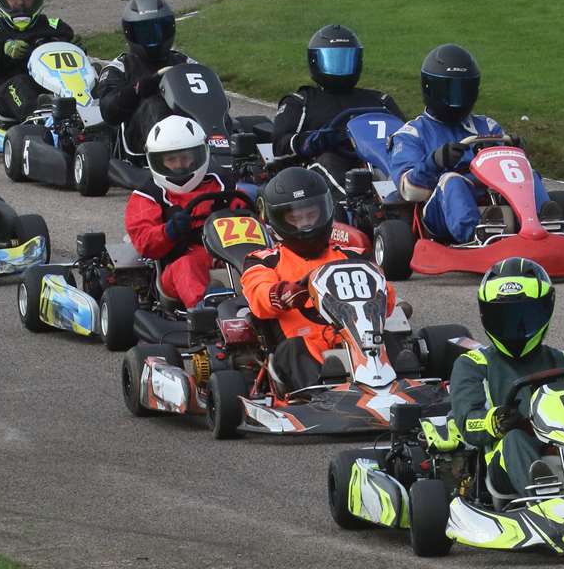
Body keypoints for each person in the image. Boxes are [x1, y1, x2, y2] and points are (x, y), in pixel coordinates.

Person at [449, 258, 564, 494]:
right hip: (508, 461)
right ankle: (541, 498)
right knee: (514, 439)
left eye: (524, 316)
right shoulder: (474, 364)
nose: (514, 327)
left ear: (544, 312)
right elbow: (467, 422)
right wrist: (494, 421)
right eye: (504, 318)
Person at [241, 167, 396, 391]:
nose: (306, 224)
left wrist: (377, 295)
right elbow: (258, 294)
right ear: (277, 220)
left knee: (391, 339)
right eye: (295, 218)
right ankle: (323, 396)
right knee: (292, 350)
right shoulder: (264, 260)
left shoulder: (353, 255)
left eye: (311, 215)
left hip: (363, 342)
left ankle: (402, 387)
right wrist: (282, 294)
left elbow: (387, 301)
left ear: (325, 210)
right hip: (305, 346)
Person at [388, 44, 554, 243]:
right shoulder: (411, 134)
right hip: (440, 212)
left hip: (495, 200)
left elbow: (509, 169)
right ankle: (476, 235)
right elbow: (409, 190)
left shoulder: (488, 126)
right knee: (452, 180)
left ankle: (548, 224)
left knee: (527, 174)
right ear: (430, 87)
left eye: (463, 91)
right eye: (450, 91)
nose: (457, 99)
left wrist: (516, 149)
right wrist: (435, 162)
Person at [124, 115, 239, 309]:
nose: (179, 165)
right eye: (171, 160)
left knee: (261, 259)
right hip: (177, 266)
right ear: (158, 161)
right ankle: (205, 313)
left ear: (199, 155)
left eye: (185, 158)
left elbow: (252, 217)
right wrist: (169, 231)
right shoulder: (148, 196)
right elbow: (144, 242)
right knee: (186, 265)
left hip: (230, 256)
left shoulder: (223, 185)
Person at [270, 24, 404, 183]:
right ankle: (349, 205)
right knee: (329, 161)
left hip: (380, 165)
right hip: (321, 178)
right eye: (333, 60)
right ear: (315, 61)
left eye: (346, 60)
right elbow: (280, 146)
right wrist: (315, 140)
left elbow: (408, 137)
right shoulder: (300, 102)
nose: (340, 68)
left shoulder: (381, 101)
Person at [95, 0, 197, 157]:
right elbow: (108, 111)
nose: (153, 39)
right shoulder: (119, 68)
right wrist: (138, 90)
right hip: (141, 141)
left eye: (158, 31)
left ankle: (226, 154)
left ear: (169, 29)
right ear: (131, 34)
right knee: (153, 105)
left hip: (190, 133)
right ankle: (171, 158)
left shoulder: (185, 62)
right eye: (145, 33)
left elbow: (214, 96)